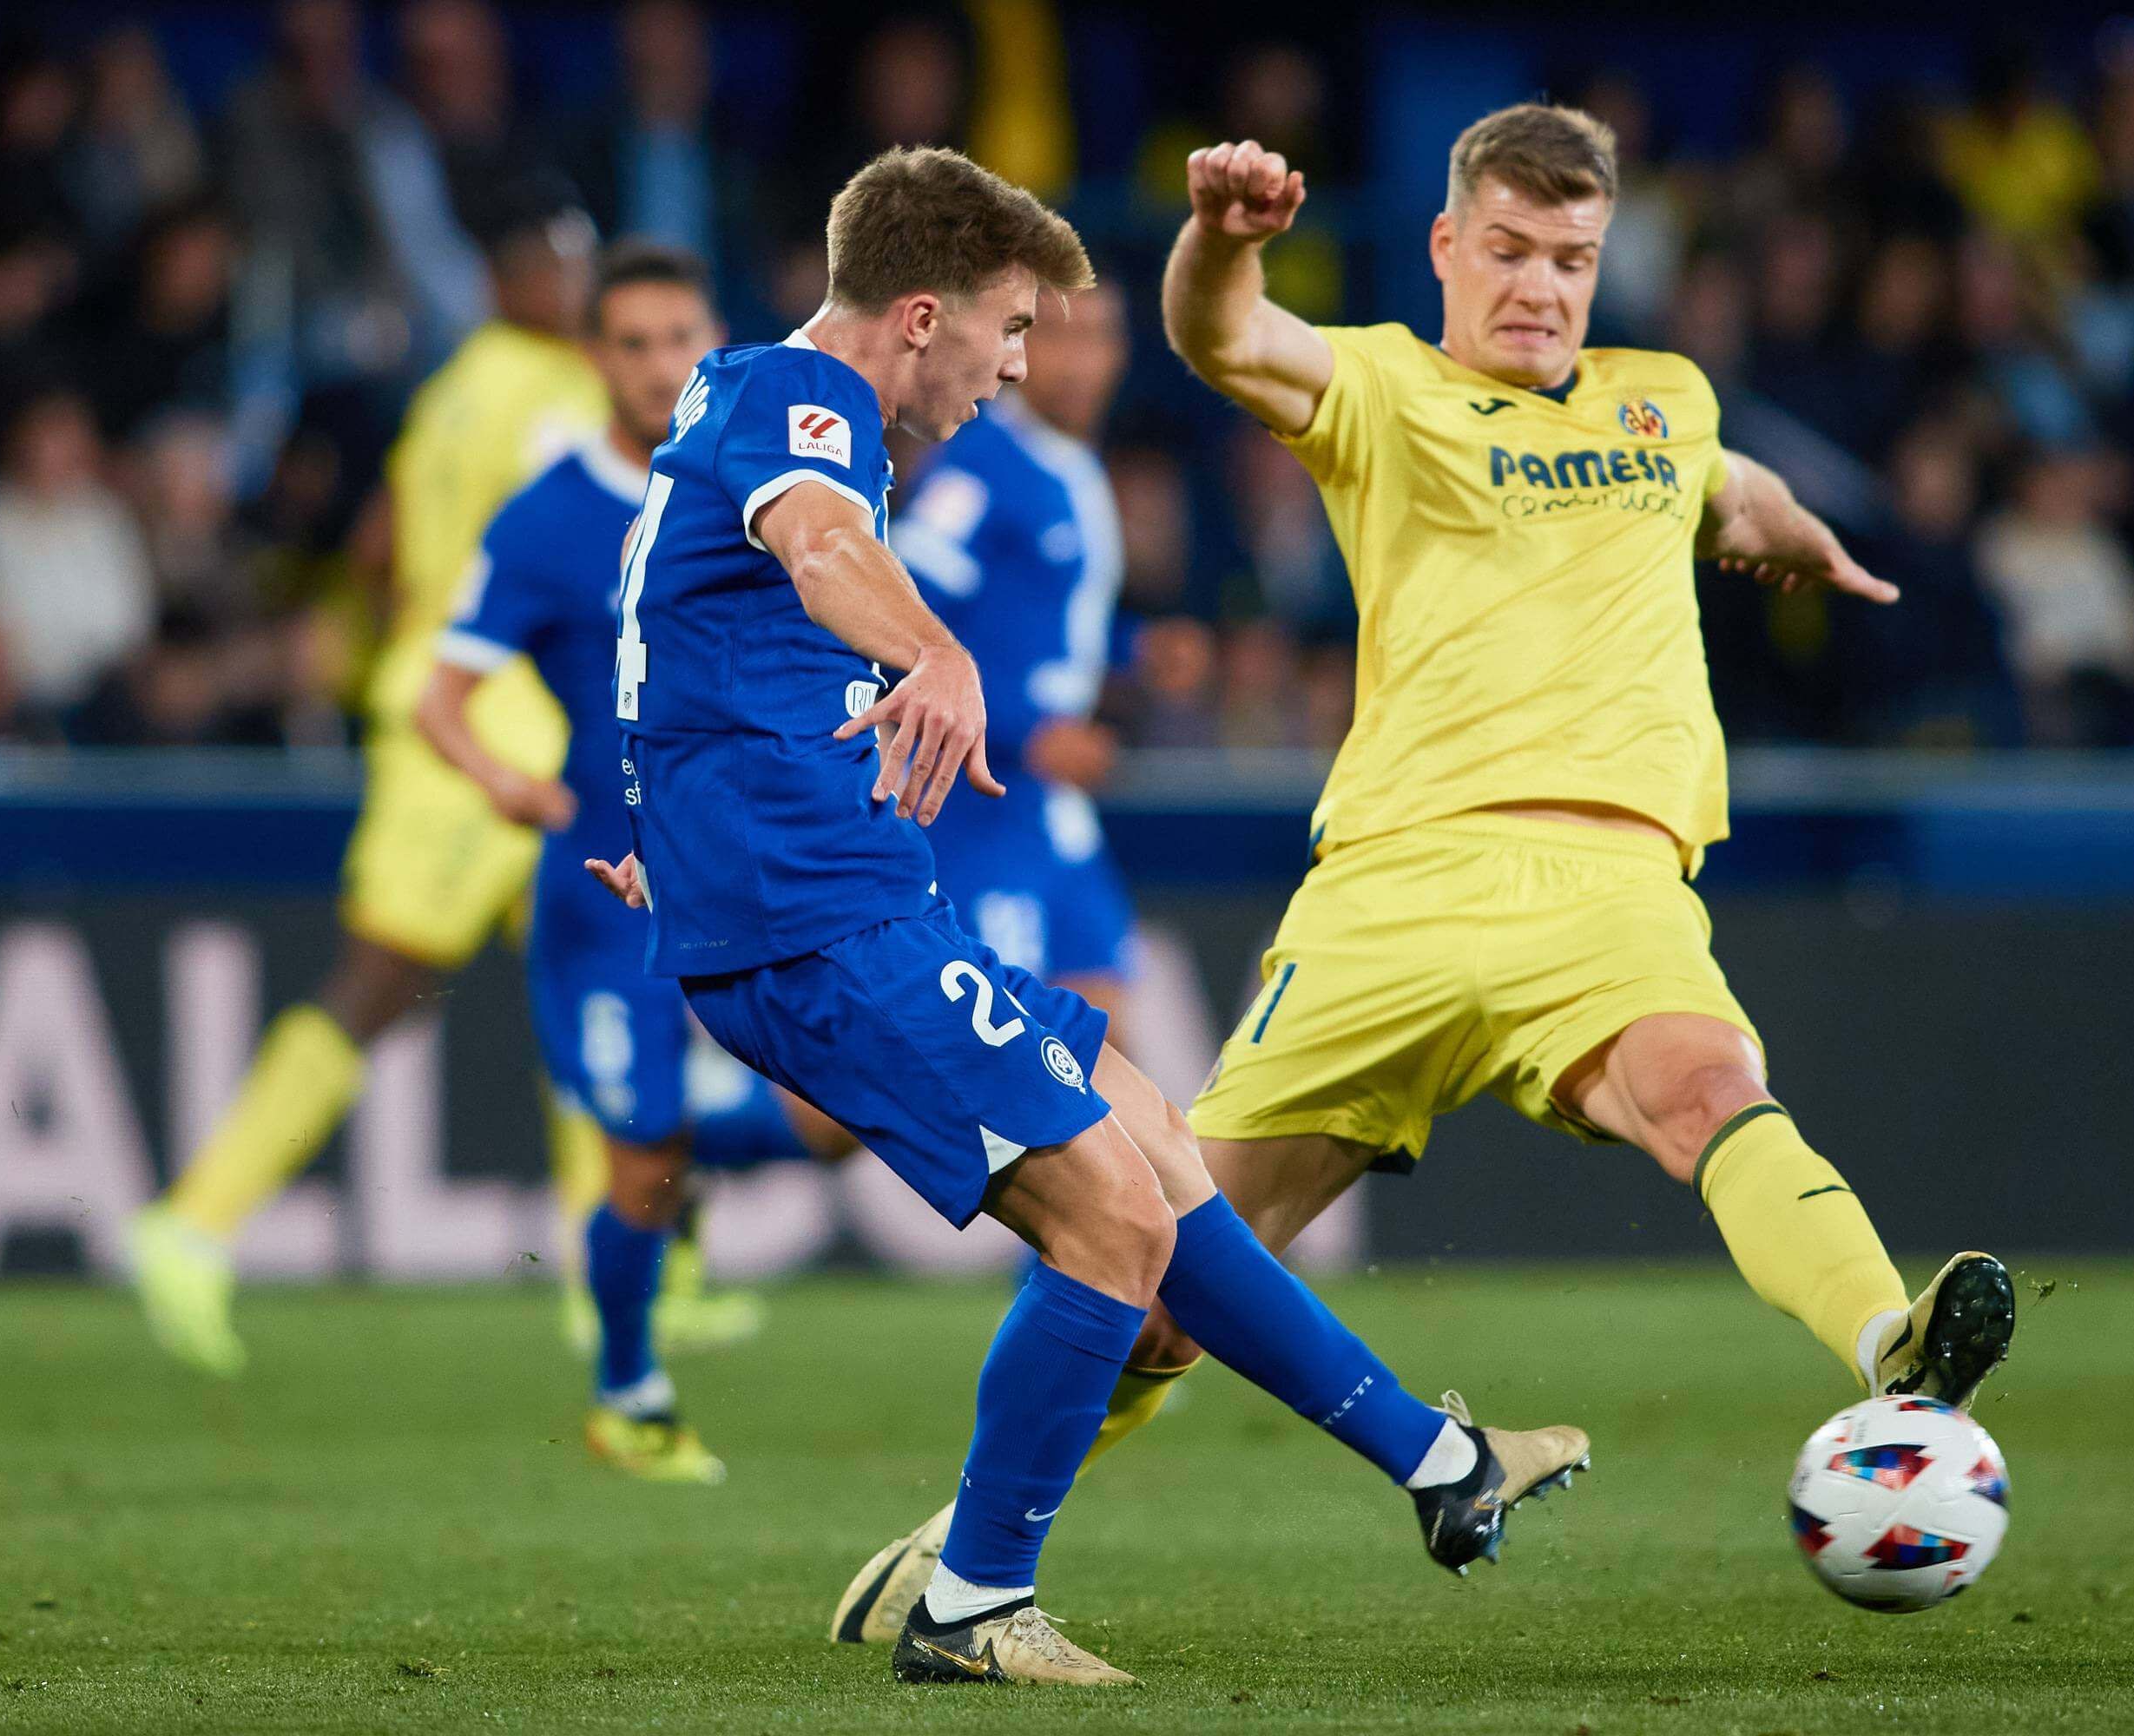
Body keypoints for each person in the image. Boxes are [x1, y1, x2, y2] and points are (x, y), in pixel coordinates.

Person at [837, 102, 2019, 1637]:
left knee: (1708, 1084)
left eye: (1573, 260)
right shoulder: (1389, 386)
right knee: (1161, 1257)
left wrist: (1788, 529)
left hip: (1612, 890)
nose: (1540, 286)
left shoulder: (1664, 399)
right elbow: (1231, 337)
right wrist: (1221, 241)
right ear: (1451, 247)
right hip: (1397, 889)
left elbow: (1718, 490)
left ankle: (1891, 1342)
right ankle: (959, 1548)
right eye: (1512, 251)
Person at [585, 145, 1588, 1687]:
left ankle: (1439, 1469)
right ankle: (977, 1603)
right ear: (920, 316)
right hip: (816, 911)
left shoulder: (752, 394)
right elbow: (822, 549)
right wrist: (938, 653)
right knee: (1113, 1224)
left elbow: (687, 633)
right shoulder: (812, 412)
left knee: (1159, 1148)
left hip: (820, 887)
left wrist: (686, 825)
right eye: (1007, 327)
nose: (1016, 365)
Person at [127, 186, 745, 1375]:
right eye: (560, 268)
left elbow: (379, 543)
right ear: (515, 280)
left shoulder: (451, 394)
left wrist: (386, 636)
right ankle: (193, 1221)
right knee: (394, 975)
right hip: (495, 716)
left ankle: (616, 1273)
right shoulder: (556, 397)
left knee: (596, 975)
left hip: (478, 692)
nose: (577, 291)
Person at [412, 240, 851, 1484]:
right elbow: (443, 695)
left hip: (744, 868)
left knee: (831, 1121)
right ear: (593, 357)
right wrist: (503, 778)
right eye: (635, 343)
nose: (662, 366)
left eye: (681, 340)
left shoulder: (757, 482)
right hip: (602, 894)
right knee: (639, 1151)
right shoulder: (551, 513)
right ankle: (628, 1390)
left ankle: (680, 1163)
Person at [890, 279, 1136, 1029]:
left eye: (1100, 337)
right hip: (977, 806)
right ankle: (731, 1111)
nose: (1082, 362)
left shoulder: (1073, 465)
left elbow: (1040, 626)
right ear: (1017, 348)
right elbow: (899, 619)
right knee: (1013, 1069)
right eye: (1062, 337)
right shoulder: (980, 469)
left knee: (1104, 1044)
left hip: (1047, 810)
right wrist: (1031, 730)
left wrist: (1140, 650)